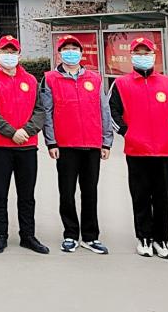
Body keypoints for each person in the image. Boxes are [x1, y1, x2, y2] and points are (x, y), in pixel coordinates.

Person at [109, 37, 168, 260]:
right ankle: (143, 237)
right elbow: (112, 111)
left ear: (154, 56)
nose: (142, 57)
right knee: (140, 196)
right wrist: (127, 132)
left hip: (165, 150)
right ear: (131, 56)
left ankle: (161, 240)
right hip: (137, 150)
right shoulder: (121, 84)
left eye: (147, 53)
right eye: (138, 53)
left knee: (162, 197)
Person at [41, 34, 113, 255]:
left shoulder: (94, 79)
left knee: (90, 191)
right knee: (67, 192)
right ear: (59, 53)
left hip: (92, 144)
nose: (70, 52)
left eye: (74, 48)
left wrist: (106, 141)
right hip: (65, 145)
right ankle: (70, 234)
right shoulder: (50, 79)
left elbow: (104, 110)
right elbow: (47, 112)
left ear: (81, 53)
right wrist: (51, 141)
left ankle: (90, 236)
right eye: (66, 49)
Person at [0, 35, 49, 255]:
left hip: (27, 146)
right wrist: (12, 132)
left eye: (13, 52)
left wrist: (26, 131)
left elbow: (40, 111)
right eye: (5, 52)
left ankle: (28, 235)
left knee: (26, 195)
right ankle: (0, 235)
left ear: (19, 55)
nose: (9, 56)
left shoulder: (31, 80)